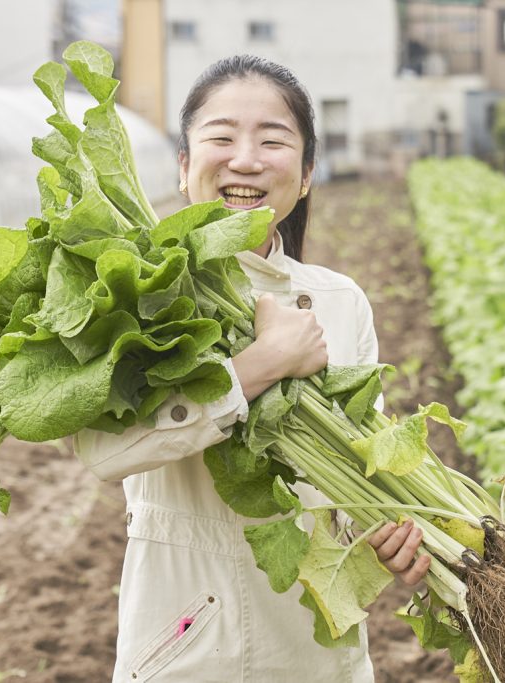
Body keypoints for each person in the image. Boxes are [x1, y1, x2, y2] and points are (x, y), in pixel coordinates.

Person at [73, 55, 430, 683]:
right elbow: (106, 451)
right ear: (184, 168)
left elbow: (361, 465)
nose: (245, 159)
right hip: (186, 647)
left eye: (273, 140)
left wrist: (386, 531)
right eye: (221, 137)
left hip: (319, 649)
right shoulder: (140, 294)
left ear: (307, 174)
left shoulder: (340, 300)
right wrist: (257, 367)